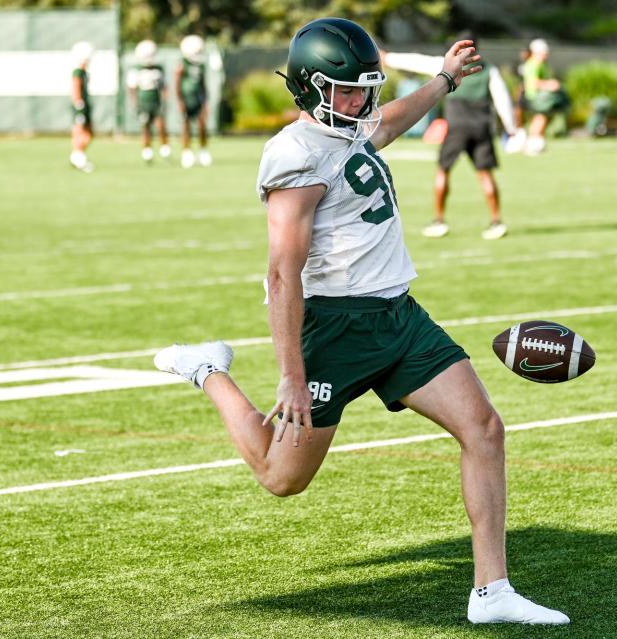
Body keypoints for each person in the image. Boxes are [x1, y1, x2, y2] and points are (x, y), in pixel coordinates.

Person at [153, 17, 570, 626]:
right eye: (345, 91)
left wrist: (444, 80)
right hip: (335, 329)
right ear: (308, 88)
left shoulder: (349, 128)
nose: (359, 101)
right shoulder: (294, 153)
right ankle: (207, 369)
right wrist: (290, 376)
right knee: (280, 477)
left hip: (399, 315)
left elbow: (391, 120)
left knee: (484, 429)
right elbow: (280, 275)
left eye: (364, 88)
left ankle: (492, 590)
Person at [383, 33, 516, 240]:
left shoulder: (446, 65)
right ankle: (496, 221)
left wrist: (389, 58)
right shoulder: (488, 69)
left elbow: (417, 61)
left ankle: (439, 220)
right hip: (481, 127)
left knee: (443, 171)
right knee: (485, 174)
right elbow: (502, 99)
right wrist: (511, 127)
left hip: (456, 127)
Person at [521, 38, 570, 156]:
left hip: (540, 97)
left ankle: (538, 142)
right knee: (540, 117)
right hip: (535, 97)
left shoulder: (541, 64)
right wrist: (549, 85)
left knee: (544, 118)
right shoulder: (533, 64)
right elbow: (533, 82)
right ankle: (533, 143)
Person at [127, 40, 171, 163]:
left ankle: (164, 147)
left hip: (155, 100)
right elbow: (132, 88)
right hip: (143, 101)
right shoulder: (136, 70)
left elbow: (164, 86)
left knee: (161, 124)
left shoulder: (159, 69)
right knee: (145, 126)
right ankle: (147, 149)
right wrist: (134, 102)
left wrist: (165, 100)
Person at [175, 35, 212, 168]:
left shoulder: (200, 65)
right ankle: (186, 151)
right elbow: (177, 84)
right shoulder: (182, 64)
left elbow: (203, 84)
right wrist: (180, 101)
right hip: (186, 99)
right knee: (186, 126)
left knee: (202, 125)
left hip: (198, 99)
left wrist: (206, 102)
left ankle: (203, 150)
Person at [69, 41, 95, 173]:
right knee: (80, 131)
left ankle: (77, 155)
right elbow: (76, 87)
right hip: (80, 105)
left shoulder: (84, 72)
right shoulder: (78, 72)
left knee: (89, 132)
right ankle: (78, 156)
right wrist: (79, 103)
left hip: (84, 104)